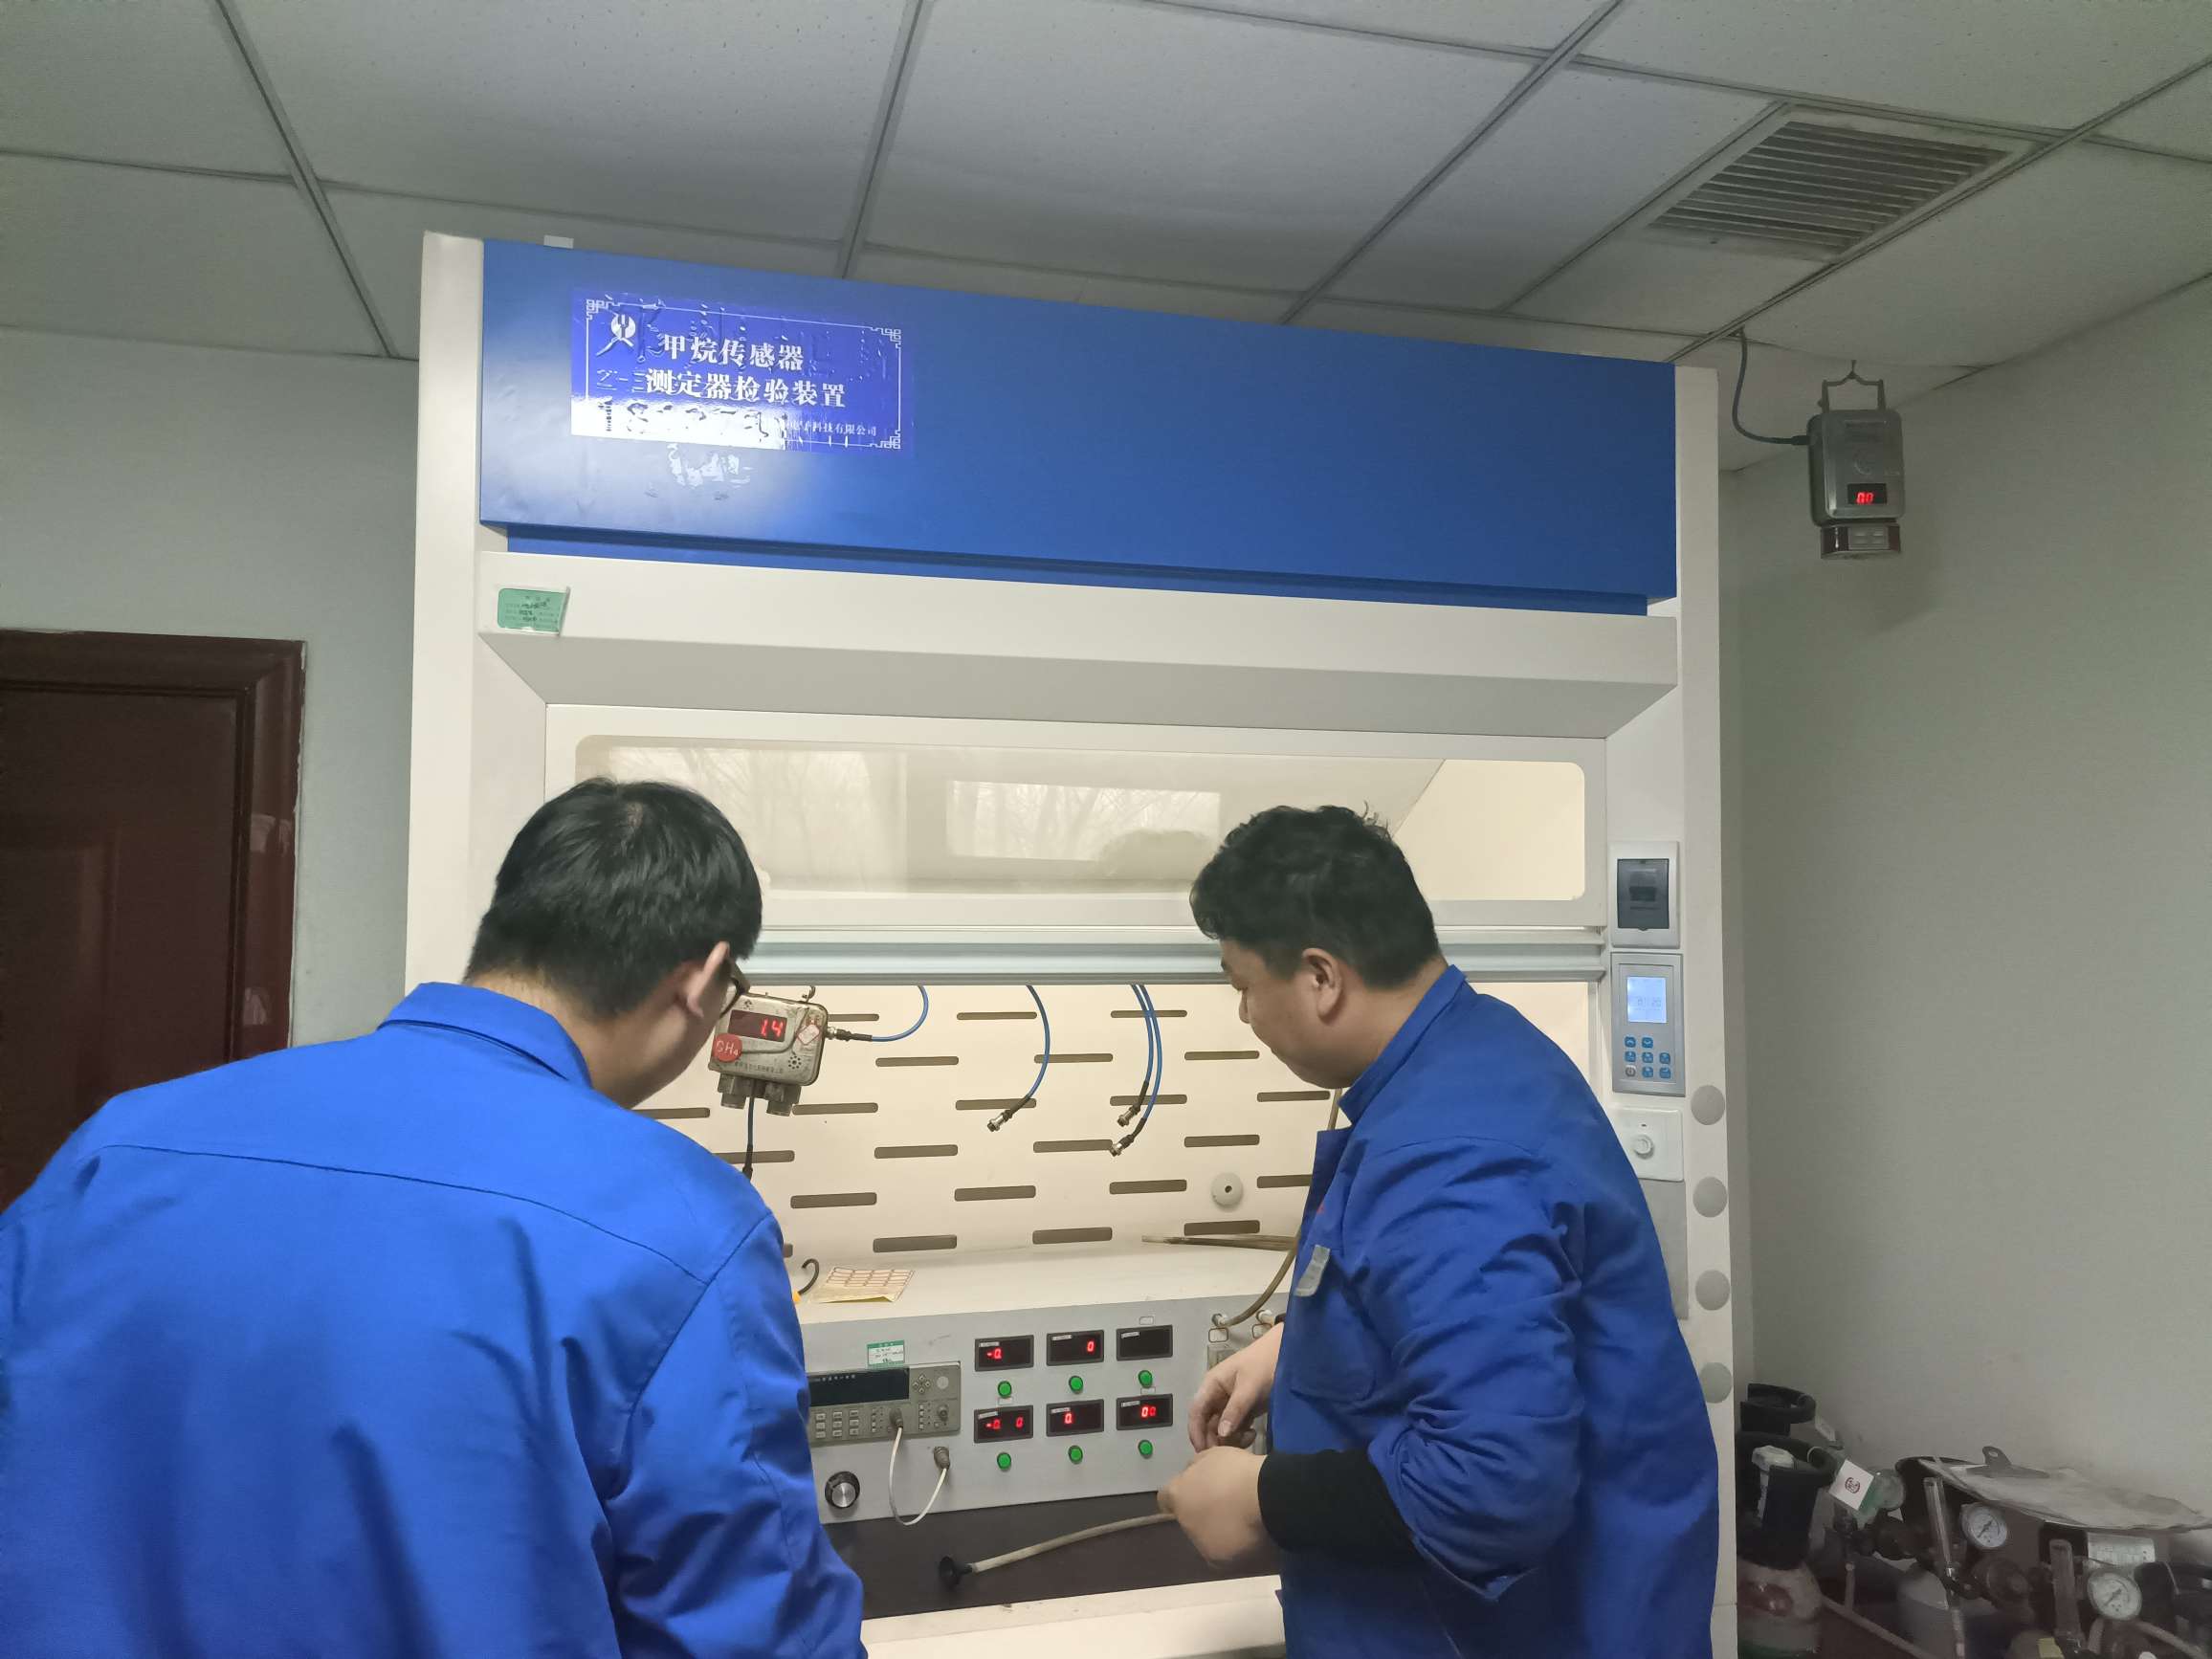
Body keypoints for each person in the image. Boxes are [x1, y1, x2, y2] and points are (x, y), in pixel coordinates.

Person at [0, 779, 866, 1659]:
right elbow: (753, 1631)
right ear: (703, 979)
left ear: (509, 920)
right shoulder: (686, 1229)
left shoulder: (114, 1150)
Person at [1158, 806, 1716, 1658]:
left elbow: (1493, 1484)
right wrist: (1299, 1348)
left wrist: (1259, 1498)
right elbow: (1452, 1297)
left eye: (1243, 986)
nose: (1245, 1015)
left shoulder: (1445, 1156)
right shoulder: (1478, 1052)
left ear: (1320, 977)